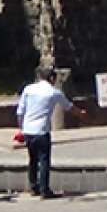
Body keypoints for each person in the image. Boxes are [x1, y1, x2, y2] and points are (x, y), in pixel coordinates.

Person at [16, 67, 86, 198]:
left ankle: (33, 187)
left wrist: (21, 128)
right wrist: (81, 113)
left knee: (32, 159)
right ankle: (44, 190)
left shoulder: (28, 89)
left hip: (28, 130)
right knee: (44, 160)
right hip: (42, 131)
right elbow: (69, 107)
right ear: (52, 78)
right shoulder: (54, 92)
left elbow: (20, 111)